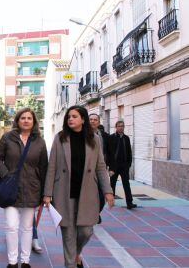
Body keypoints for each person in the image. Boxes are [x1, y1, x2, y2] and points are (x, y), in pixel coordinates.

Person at [43, 106, 114, 268]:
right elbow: (52, 166)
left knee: (86, 231)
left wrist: (107, 191)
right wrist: (47, 193)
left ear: (83, 119)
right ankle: (71, 263)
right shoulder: (60, 138)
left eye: (74, 116)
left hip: (87, 193)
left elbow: (100, 167)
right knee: (68, 234)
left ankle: (76, 254)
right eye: (68, 117)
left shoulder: (94, 139)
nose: (70, 119)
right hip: (64, 192)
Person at [0, 108, 48, 268]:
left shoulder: (39, 142)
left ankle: (25, 261)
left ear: (34, 122)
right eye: (22, 118)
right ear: (17, 120)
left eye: (29, 118)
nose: (26, 120)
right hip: (11, 189)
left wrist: (45, 193)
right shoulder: (8, 138)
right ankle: (12, 262)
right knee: (11, 225)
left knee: (27, 227)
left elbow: (44, 167)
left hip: (32, 189)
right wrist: (5, 174)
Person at [107, 120, 137, 209]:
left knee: (126, 184)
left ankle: (129, 203)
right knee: (112, 184)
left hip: (124, 166)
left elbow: (129, 152)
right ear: (116, 127)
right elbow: (108, 153)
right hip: (114, 166)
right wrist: (109, 165)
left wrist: (129, 164)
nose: (121, 127)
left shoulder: (126, 138)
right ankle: (111, 201)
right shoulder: (111, 138)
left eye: (122, 126)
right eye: (119, 126)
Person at [89, 114, 110, 224]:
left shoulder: (104, 136)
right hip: (89, 171)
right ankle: (92, 214)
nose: (92, 121)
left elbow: (109, 151)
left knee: (102, 195)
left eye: (95, 120)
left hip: (101, 169)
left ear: (98, 122)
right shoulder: (83, 135)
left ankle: (96, 212)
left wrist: (111, 167)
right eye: (90, 119)